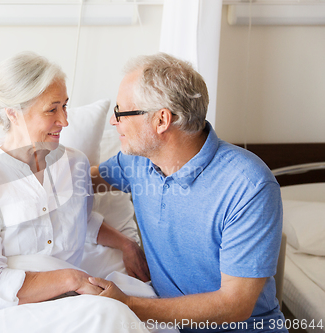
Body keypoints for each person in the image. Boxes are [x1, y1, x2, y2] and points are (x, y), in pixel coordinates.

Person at [89, 53, 287, 332]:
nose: (113, 121)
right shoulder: (139, 161)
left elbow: (235, 305)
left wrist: (127, 304)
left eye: (121, 112)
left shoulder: (248, 186)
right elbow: (84, 182)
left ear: (161, 121)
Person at [0, 51, 149, 312]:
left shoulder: (75, 164)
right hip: (15, 308)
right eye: (52, 110)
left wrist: (127, 244)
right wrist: (71, 278)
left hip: (76, 297)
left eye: (65, 106)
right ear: (14, 114)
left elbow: (80, 220)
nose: (65, 121)